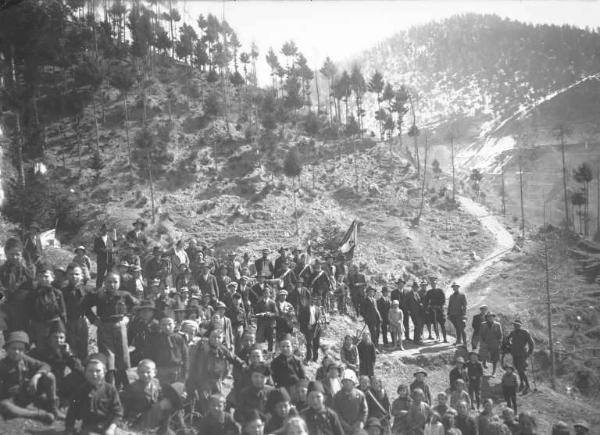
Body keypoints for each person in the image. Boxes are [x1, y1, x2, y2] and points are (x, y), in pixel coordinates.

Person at [83, 271, 138, 389]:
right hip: (104, 326)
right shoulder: (99, 295)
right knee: (108, 356)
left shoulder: (125, 295)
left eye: (115, 282)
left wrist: (128, 318)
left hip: (120, 326)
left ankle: (123, 385)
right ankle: (109, 385)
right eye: (109, 282)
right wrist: (94, 320)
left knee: (122, 355)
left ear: (119, 283)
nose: (112, 284)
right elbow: (86, 306)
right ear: (104, 282)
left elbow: (136, 306)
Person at [0, 331, 59, 423]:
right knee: (5, 407)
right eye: (13, 348)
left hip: (26, 394)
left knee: (49, 376)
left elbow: (45, 365)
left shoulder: (26, 360)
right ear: (7, 349)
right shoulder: (2, 365)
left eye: (20, 349)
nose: (16, 352)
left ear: (25, 351)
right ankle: (39, 415)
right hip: (10, 399)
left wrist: (36, 376)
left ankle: (54, 409)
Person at [122, 359, 184, 433]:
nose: (145, 374)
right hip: (140, 419)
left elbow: (160, 396)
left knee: (167, 403)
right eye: (142, 372)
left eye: (148, 372)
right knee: (160, 406)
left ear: (155, 372)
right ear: (137, 373)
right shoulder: (133, 388)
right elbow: (125, 405)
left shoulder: (156, 383)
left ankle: (170, 428)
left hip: (155, 417)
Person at [27, 265, 67, 349]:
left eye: (46, 276)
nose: (43, 279)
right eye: (40, 276)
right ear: (36, 278)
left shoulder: (57, 293)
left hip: (54, 325)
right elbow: (29, 313)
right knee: (41, 348)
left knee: (55, 348)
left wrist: (62, 328)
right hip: (38, 326)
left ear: (52, 277)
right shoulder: (32, 293)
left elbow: (62, 312)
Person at [147, 316, 188, 383]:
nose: (167, 327)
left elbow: (185, 356)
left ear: (174, 324)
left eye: (169, 324)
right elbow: (151, 356)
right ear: (160, 326)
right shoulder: (155, 339)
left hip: (176, 370)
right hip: (161, 371)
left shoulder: (179, 338)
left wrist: (185, 373)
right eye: (164, 325)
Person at [332, 369, 368, 435]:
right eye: (345, 381)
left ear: (353, 382)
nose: (347, 383)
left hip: (357, 427)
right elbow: (336, 413)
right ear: (342, 383)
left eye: (349, 381)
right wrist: (344, 425)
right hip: (341, 427)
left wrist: (360, 422)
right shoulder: (337, 396)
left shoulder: (360, 395)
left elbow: (364, 411)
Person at [128, 300, 160, 366]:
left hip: (153, 357)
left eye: (148, 311)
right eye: (142, 311)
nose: (145, 313)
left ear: (153, 312)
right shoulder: (136, 324)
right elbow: (131, 339)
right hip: (138, 357)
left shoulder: (157, 325)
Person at [506, 319, 534, 394]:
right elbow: (507, 339)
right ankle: (522, 383)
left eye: (517, 325)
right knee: (518, 369)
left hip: (522, 354)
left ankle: (527, 385)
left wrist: (529, 352)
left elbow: (531, 343)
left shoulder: (525, 332)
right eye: (515, 325)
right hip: (515, 353)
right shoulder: (513, 332)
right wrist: (510, 345)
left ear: (520, 325)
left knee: (521, 369)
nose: (516, 326)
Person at [298, 294, 322, 363]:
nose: (313, 301)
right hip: (308, 328)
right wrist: (306, 324)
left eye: (314, 300)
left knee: (316, 343)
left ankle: (315, 358)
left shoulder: (317, 308)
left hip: (316, 327)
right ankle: (308, 358)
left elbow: (320, 317)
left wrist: (319, 320)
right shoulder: (304, 308)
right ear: (308, 300)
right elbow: (300, 319)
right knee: (309, 344)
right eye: (311, 299)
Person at [93, 224, 117, 288]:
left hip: (110, 261)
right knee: (100, 275)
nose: (105, 231)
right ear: (101, 230)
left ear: (107, 231)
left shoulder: (110, 239)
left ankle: (108, 289)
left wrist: (112, 250)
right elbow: (95, 249)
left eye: (106, 230)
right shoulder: (97, 238)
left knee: (109, 276)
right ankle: (98, 289)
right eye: (103, 230)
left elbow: (114, 247)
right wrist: (102, 250)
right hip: (101, 260)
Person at [479, 312, 503, 376]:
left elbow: (500, 335)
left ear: (493, 317)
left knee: (495, 358)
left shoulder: (497, 324)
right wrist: (482, 343)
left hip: (494, 344)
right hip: (485, 343)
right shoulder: (483, 324)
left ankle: (494, 372)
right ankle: (484, 364)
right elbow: (480, 334)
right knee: (483, 355)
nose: (490, 318)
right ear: (486, 317)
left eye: (491, 316)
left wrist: (499, 343)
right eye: (488, 316)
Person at [255, 287, 278, 352]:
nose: (266, 294)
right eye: (265, 293)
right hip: (261, 323)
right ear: (263, 294)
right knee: (260, 338)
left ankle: (270, 351)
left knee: (270, 338)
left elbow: (276, 313)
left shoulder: (272, 303)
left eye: (267, 293)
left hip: (270, 323)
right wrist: (260, 314)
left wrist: (270, 314)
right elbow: (256, 313)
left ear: (269, 294)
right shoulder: (259, 303)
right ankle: (260, 351)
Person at [427, 277, 447, 343]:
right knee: (435, 324)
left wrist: (439, 306)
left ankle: (445, 338)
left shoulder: (440, 291)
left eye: (434, 283)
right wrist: (430, 307)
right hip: (432, 311)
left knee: (442, 325)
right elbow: (426, 301)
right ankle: (437, 337)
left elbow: (443, 300)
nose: (433, 285)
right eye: (432, 284)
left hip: (440, 311)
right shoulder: (429, 292)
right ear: (431, 285)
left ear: (436, 284)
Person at [447, 282, 467, 347]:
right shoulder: (451, 296)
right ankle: (458, 341)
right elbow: (450, 305)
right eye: (453, 287)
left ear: (458, 287)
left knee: (461, 328)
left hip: (460, 314)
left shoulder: (462, 295)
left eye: (456, 287)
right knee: (457, 328)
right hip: (453, 315)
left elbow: (465, 305)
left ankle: (464, 343)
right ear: (452, 288)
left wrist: (464, 314)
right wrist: (448, 314)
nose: (454, 288)